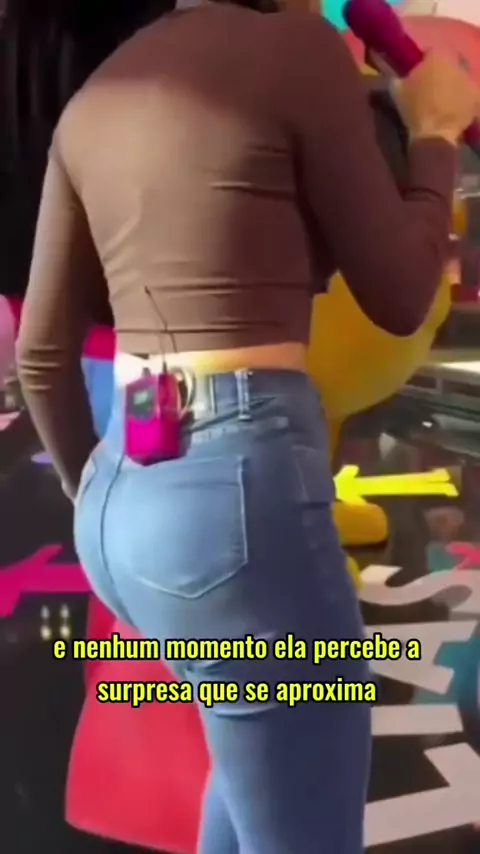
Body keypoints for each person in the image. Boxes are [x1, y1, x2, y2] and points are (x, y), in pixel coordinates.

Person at [16, 1, 479, 852]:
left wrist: (110, 503)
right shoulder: (298, 48)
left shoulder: (99, 92)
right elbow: (401, 292)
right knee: (296, 795)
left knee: (253, 771)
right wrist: (436, 134)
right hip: (235, 501)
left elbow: (42, 356)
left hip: (122, 499)